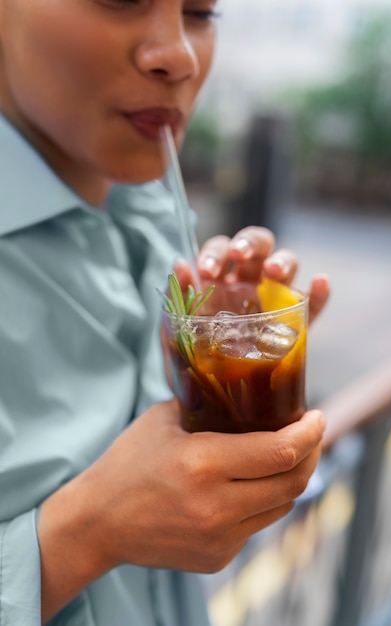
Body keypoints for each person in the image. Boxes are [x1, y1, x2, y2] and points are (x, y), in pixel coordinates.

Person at [0, 1, 330, 625]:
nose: (179, 54)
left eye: (202, 12)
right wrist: (84, 534)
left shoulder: (152, 221)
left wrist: (220, 378)